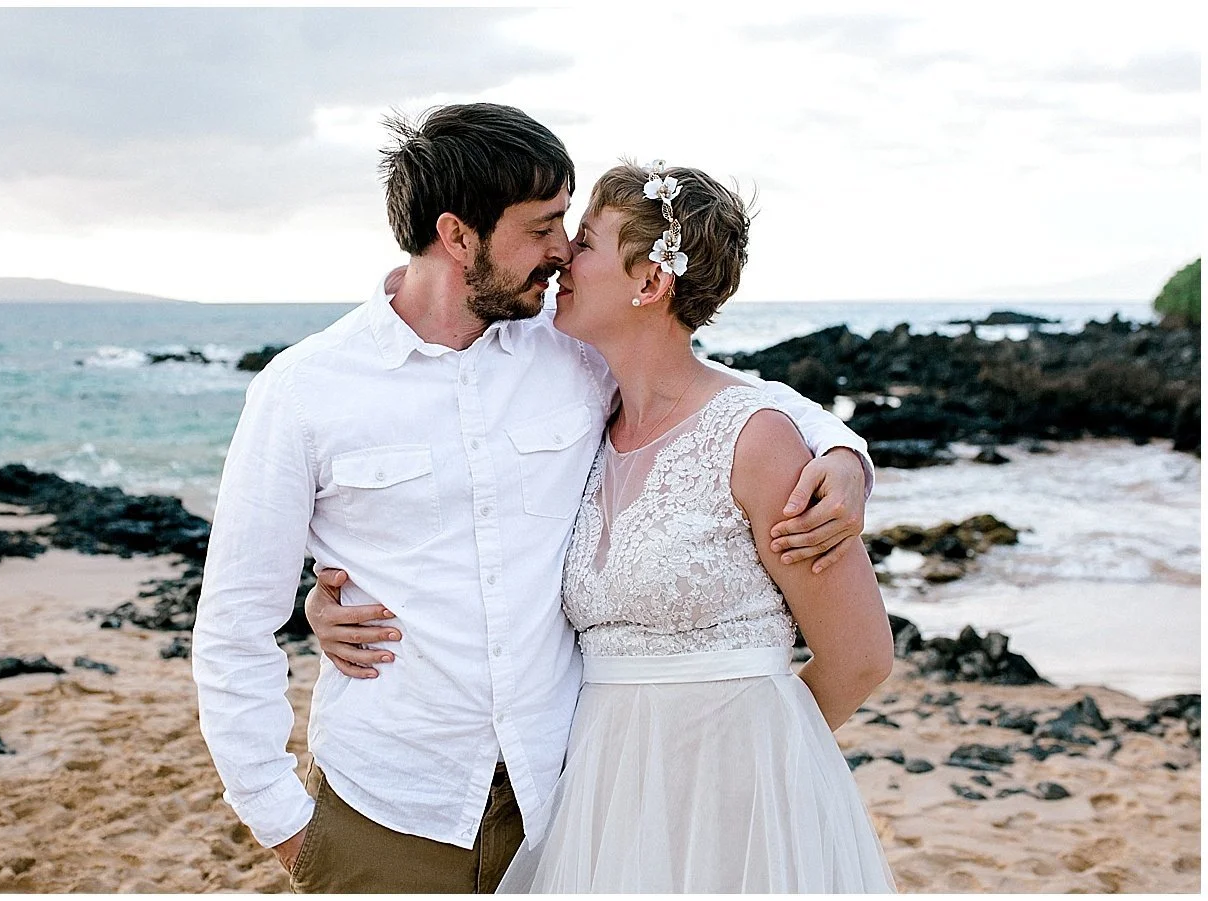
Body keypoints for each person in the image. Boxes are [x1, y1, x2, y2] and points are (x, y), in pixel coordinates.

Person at [192, 103, 874, 894]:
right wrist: (284, 823)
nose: (560, 252)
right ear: (457, 235)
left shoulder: (571, 352)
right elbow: (234, 624)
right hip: (388, 808)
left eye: (573, 232)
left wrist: (843, 451)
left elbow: (710, 396)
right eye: (545, 226)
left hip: (565, 800)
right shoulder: (303, 392)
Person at [492, 160, 897, 892]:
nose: (561, 260)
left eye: (583, 243)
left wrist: (764, 762)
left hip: (743, 803)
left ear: (650, 282)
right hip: (605, 800)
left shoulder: (757, 438)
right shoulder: (581, 422)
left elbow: (862, 654)